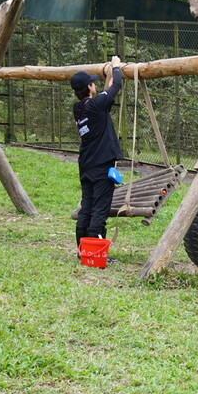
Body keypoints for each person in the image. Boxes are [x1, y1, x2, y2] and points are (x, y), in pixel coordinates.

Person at [71, 55, 123, 254]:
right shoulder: (95, 105)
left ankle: (82, 249)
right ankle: (95, 251)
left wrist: (109, 73)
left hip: (86, 165)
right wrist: (116, 67)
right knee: (100, 208)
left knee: (87, 207)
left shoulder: (80, 108)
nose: (95, 85)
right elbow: (115, 86)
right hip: (101, 165)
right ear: (90, 88)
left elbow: (106, 94)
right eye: (93, 83)